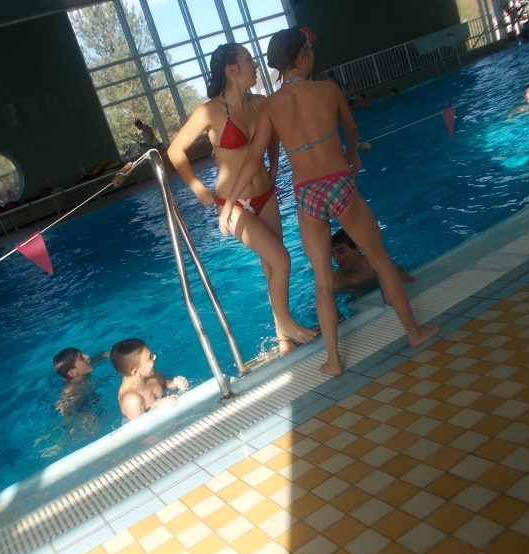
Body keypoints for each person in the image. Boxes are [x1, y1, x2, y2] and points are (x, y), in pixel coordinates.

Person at [223, 26, 439, 376]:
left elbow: (253, 158)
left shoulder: (272, 105)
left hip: (307, 192)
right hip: (339, 182)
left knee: (322, 281)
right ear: (303, 56)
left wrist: (230, 201)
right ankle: (414, 333)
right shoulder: (327, 89)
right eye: (309, 50)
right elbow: (351, 130)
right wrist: (352, 155)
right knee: (381, 260)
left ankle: (334, 361)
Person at [167, 42, 316, 354]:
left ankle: (283, 340)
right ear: (232, 70)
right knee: (282, 260)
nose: (256, 64)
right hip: (232, 205)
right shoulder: (209, 111)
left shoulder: (260, 103)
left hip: (265, 196)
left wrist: (273, 169)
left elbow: (272, 139)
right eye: (249, 60)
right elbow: (175, 150)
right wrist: (198, 188)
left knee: (273, 265)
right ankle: (286, 321)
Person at [110, 338, 188, 421]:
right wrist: (155, 406)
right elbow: (141, 426)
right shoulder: (131, 399)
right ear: (136, 372)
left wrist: (176, 383)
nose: (154, 356)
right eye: (149, 358)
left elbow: (164, 384)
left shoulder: (149, 374)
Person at [332, 229, 414, 296]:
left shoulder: (373, 262)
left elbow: (396, 271)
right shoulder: (338, 281)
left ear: (357, 247)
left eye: (341, 251)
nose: (336, 258)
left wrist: (400, 273)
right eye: (332, 254)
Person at [53, 347, 111, 417]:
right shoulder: (72, 388)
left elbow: (100, 357)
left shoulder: (85, 367)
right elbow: (62, 402)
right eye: (81, 358)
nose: (87, 356)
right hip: (81, 400)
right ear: (73, 373)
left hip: (89, 391)